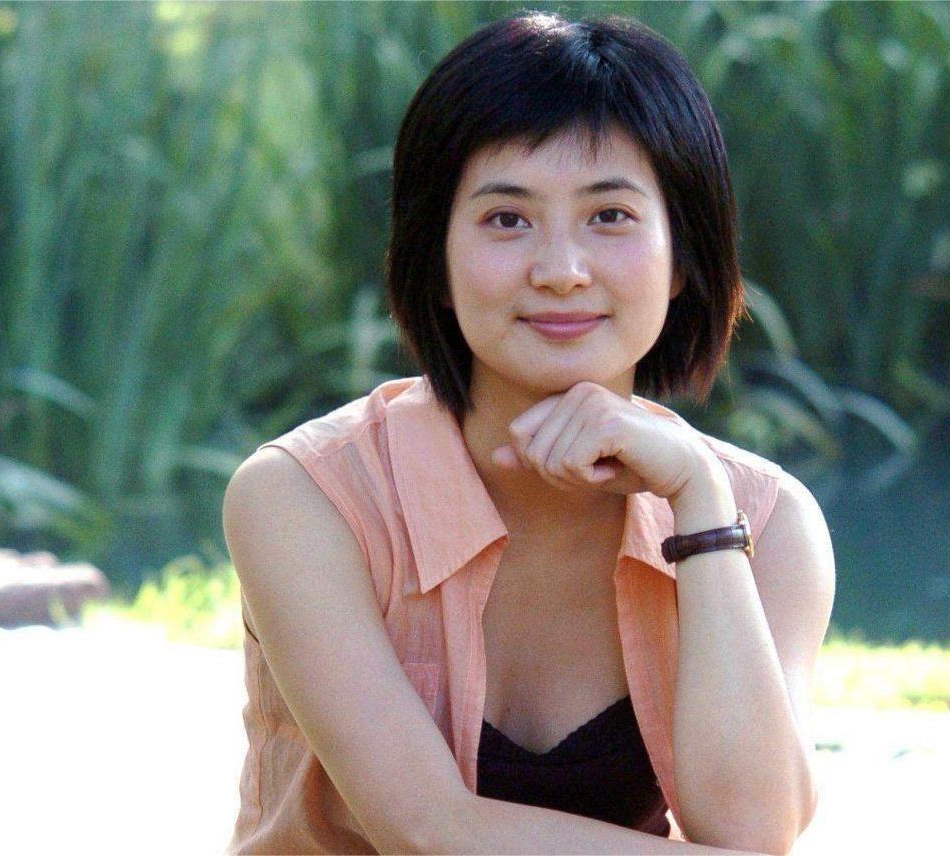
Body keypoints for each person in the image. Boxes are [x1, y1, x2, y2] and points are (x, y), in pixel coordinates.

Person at [222, 11, 835, 855]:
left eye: (609, 216)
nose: (561, 271)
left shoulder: (768, 522)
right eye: (507, 220)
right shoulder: (304, 496)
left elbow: (753, 830)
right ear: (435, 262)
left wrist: (701, 505)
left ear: (683, 258)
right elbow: (427, 830)